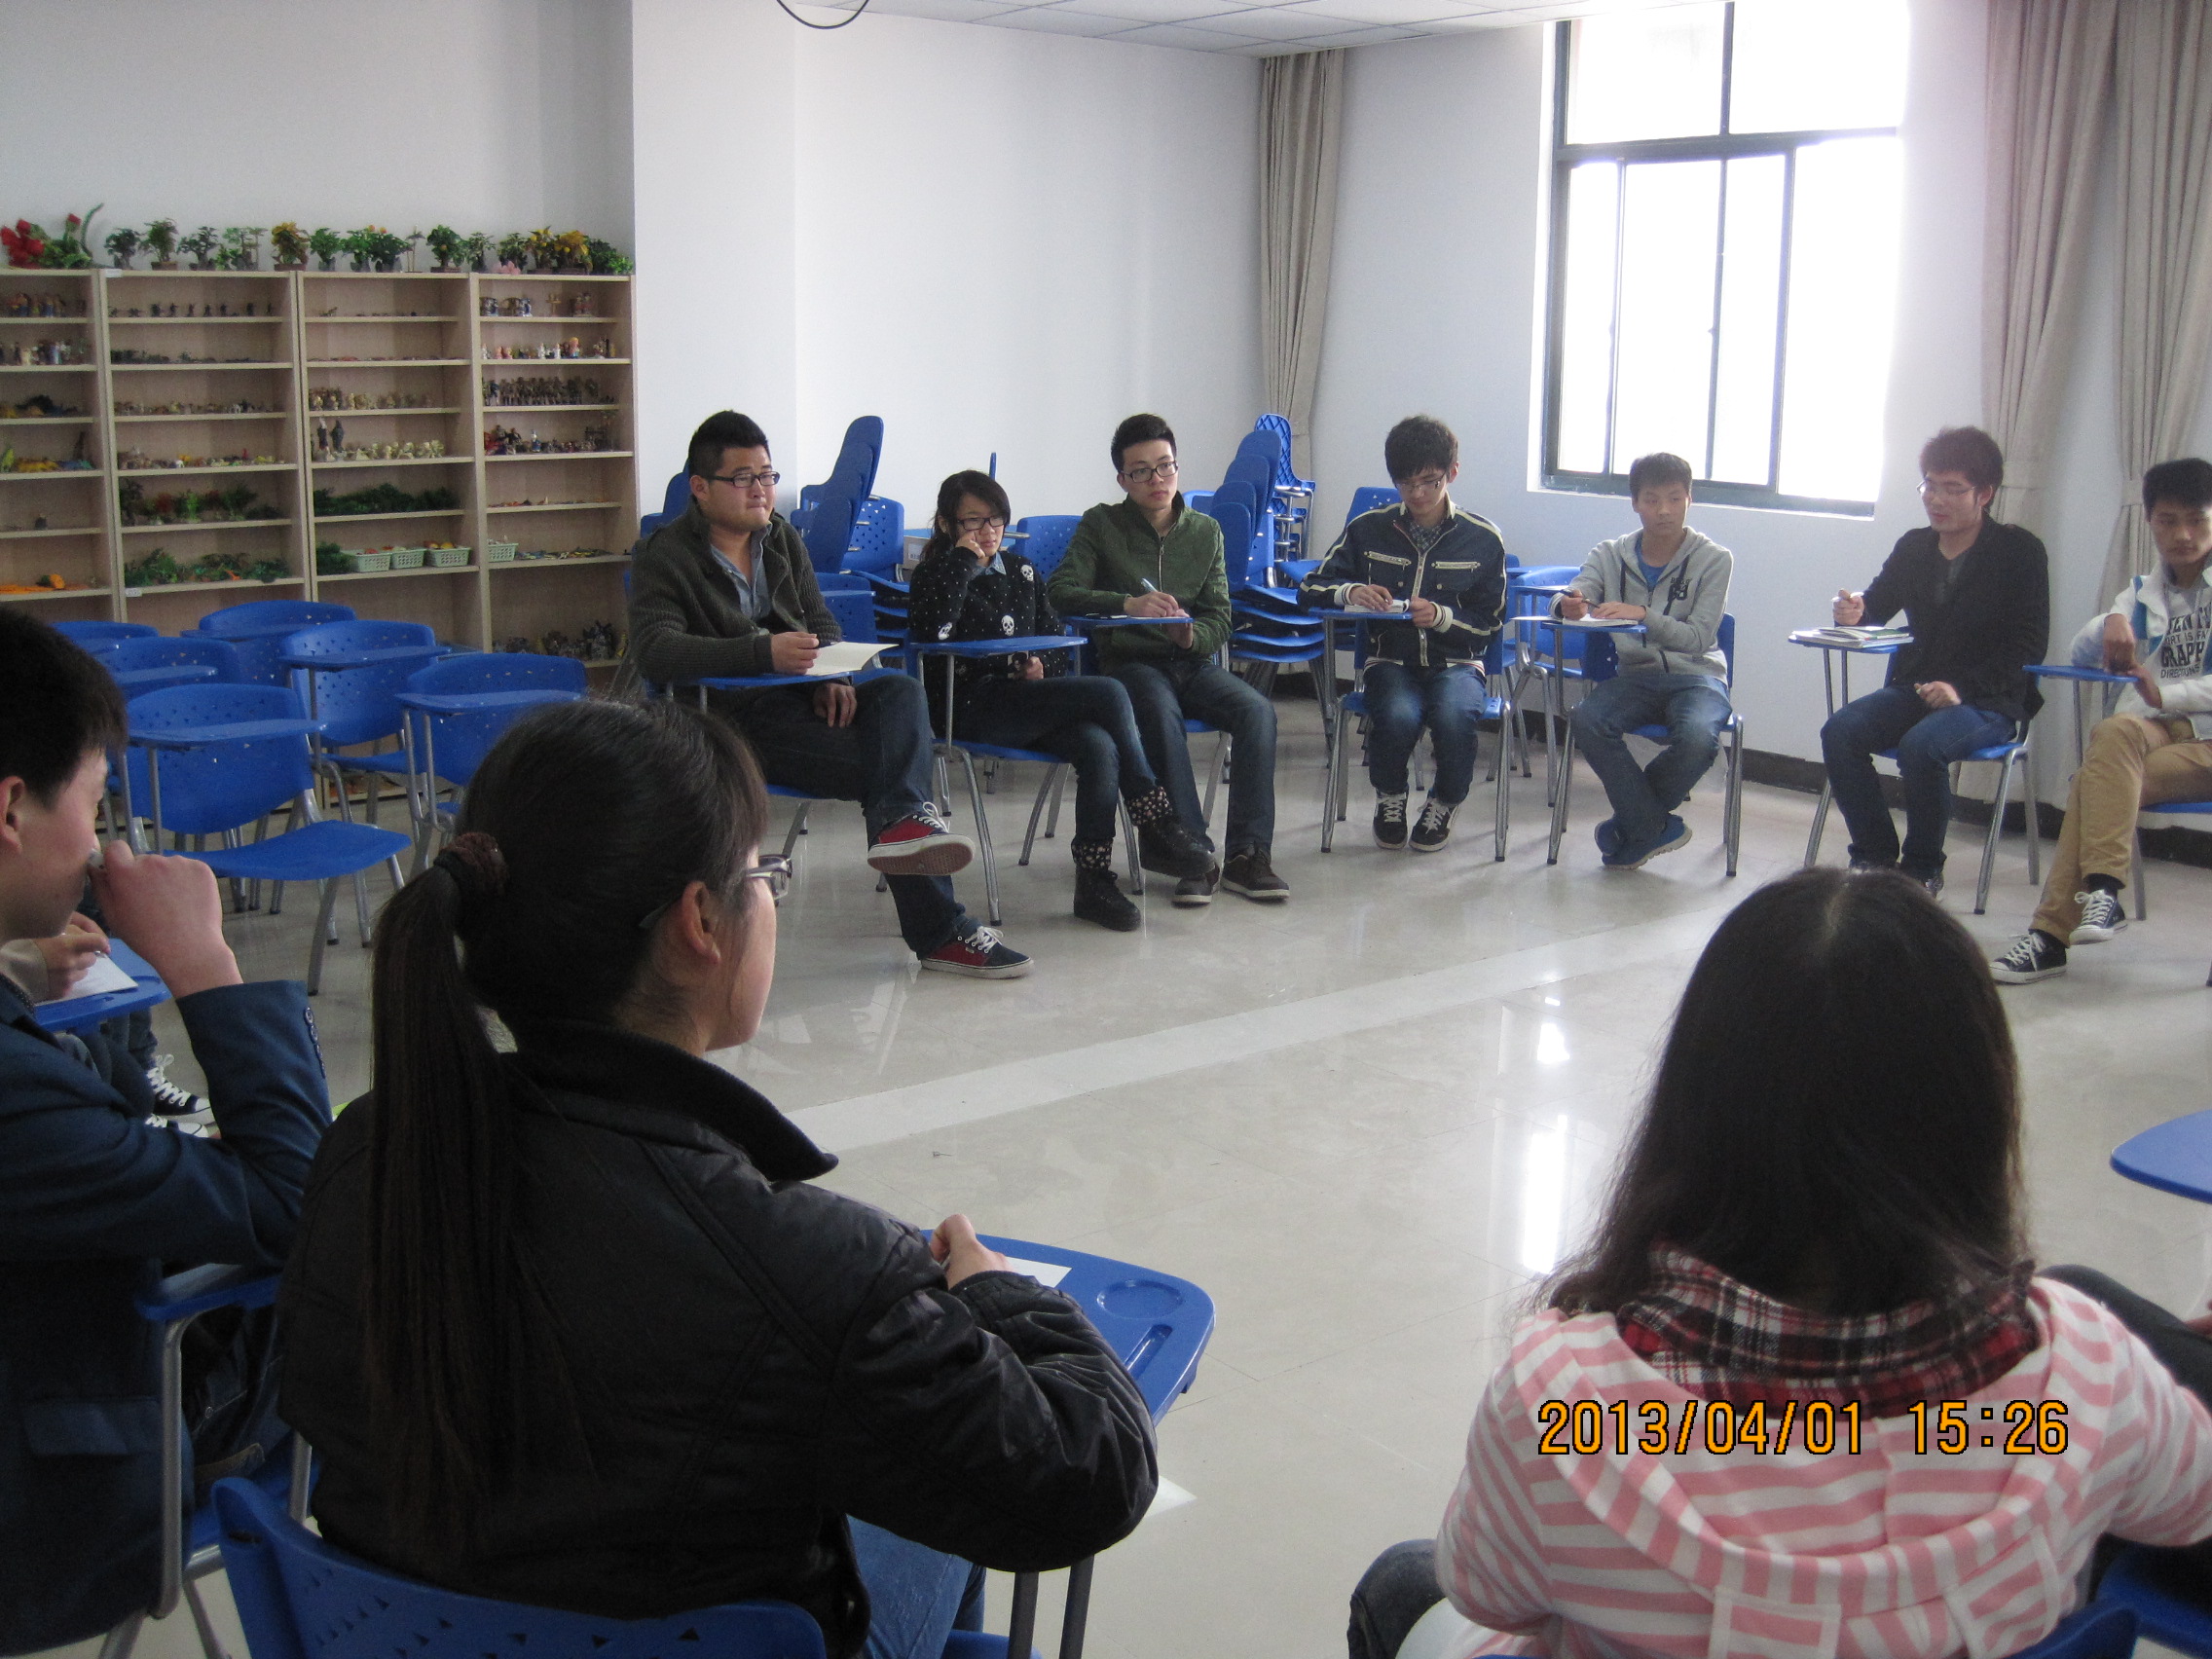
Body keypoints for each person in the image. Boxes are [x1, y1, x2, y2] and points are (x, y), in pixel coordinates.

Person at [277, 700, 1158, 1659]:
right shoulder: (811, 1268)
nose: (768, 896)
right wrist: (995, 1294)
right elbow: (1090, 1474)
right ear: (699, 922)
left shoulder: (369, 1153)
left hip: (411, 1636)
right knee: (931, 1494)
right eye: (762, 875)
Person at [1344, 867, 2212, 1659]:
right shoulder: (2090, 1376)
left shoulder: (1567, 1408)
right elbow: (2191, 1502)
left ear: (1697, 1105)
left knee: (1402, 1584)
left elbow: (1485, 1590)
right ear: (1974, 1112)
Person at [0, 611, 329, 1653]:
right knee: (387, 1273)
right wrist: (204, 967)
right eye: (95, 806)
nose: (102, 846)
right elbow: (296, 1203)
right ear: (10, 809)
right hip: (51, 1492)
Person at [620, 410, 1029, 979]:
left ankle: (906, 833)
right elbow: (657, 651)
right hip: (726, 722)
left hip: (797, 703)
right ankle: (939, 927)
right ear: (701, 487)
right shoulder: (664, 554)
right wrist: (762, 654)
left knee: (898, 690)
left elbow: (821, 623)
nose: (761, 490)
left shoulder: (781, 538)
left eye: (767, 475)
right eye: (743, 478)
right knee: (891, 773)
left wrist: (832, 678)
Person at [905, 469, 1214, 931]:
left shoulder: (1022, 571)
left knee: (1098, 746)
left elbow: (1053, 640)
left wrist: (1041, 667)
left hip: (1027, 701)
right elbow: (934, 631)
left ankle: (1093, 882)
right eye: (973, 521)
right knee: (1110, 690)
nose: (988, 532)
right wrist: (964, 563)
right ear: (948, 525)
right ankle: (1155, 820)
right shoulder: (936, 573)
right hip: (969, 708)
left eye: (996, 520)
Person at [1047, 413, 1287, 905]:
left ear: (1177, 466)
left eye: (1165, 466)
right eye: (1141, 471)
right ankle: (1191, 853)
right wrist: (1126, 604)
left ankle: (1248, 855)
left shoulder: (1205, 531)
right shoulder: (1101, 524)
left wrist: (1190, 635)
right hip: (1130, 664)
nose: (1157, 480)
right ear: (1122, 479)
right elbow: (1062, 591)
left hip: (1189, 661)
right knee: (1158, 709)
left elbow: (1220, 617)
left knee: (1257, 711)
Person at [1993, 459, 2212, 983]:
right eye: (2168, 520)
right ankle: (2104, 894)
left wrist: (2166, 691)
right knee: (2111, 739)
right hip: (2155, 732)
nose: (2182, 534)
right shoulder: (2141, 593)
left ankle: (2051, 936)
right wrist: (2110, 619)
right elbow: (2082, 653)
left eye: (2197, 520)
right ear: (2150, 521)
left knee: (2093, 782)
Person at [1822, 426, 2049, 895]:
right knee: (1840, 732)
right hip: (1917, 687)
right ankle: (1874, 857)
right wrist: (1855, 610)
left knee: (1921, 747)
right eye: (1929, 485)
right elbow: (1876, 605)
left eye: (1953, 489)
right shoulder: (1914, 546)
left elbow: (2029, 644)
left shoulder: (2018, 551)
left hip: (1989, 700)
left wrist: (1961, 688)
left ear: (1984, 494)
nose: (1936, 499)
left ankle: (1922, 869)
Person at [1300, 416, 1508, 853]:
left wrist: (1442, 617)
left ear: (1452, 473)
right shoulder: (1368, 529)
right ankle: (1390, 796)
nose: (1417, 495)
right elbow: (1309, 589)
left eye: (1430, 482)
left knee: (1454, 717)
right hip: (1390, 662)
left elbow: (1490, 622)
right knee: (1397, 715)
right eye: (1405, 483)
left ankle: (1444, 802)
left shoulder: (1483, 539)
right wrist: (1350, 591)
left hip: (1457, 665)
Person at [1554, 452, 1734, 869]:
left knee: (1697, 738)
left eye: (1675, 498)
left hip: (1698, 678)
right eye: (1652, 500)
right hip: (1635, 677)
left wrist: (1643, 615)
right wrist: (1569, 604)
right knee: (1587, 718)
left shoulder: (1714, 559)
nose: (1664, 510)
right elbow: (1575, 591)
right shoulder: (1609, 554)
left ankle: (1630, 825)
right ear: (1635, 502)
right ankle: (1650, 826)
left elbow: (1698, 638)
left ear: (1690, 499)